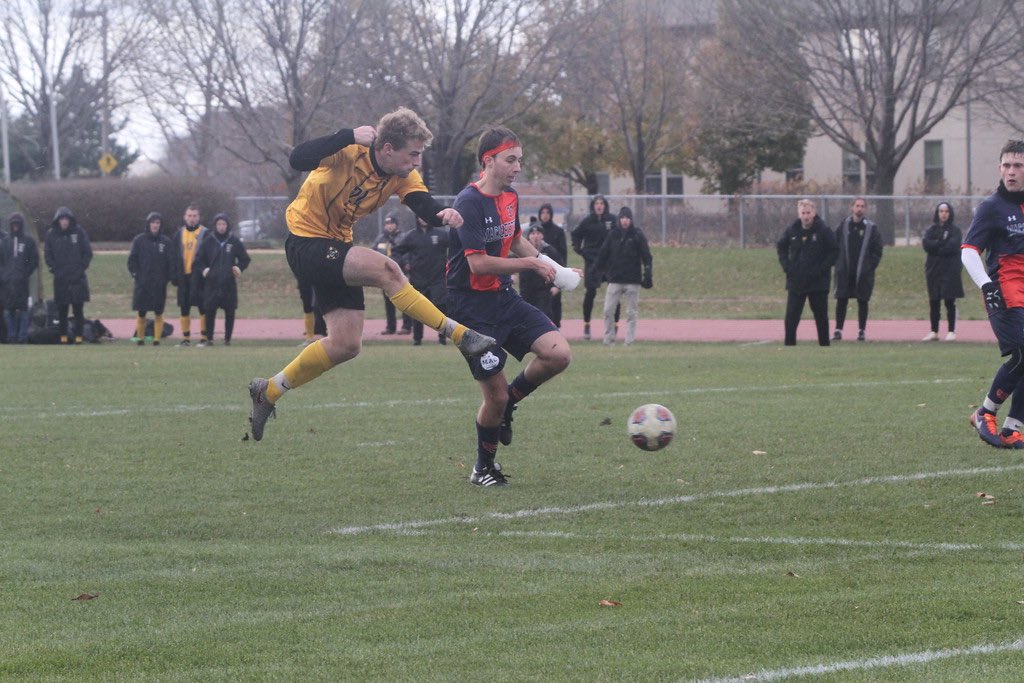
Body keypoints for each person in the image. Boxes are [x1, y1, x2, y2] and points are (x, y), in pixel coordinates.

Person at [247, 107, 497, 441]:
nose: (417, 162)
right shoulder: (349, 149)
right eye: (413, 154)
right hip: (305, 242)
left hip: (336, 245)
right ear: (388, 148)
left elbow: (423, 203)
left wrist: (443, 213)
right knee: (387, 269)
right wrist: (345, 134)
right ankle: (461, 336)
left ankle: (269, 391)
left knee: (346, 344)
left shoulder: (402, 174)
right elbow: (297, 158)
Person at [447, 124, 581, 486]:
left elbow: (517, 241)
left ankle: (511, 403)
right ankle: (483, 468)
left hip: (503, 298)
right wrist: (532, 266)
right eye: (510, 160)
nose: (517, 167)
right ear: (488, 161)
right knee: (494, 396)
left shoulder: (510, 197)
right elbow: (478, 264)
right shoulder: (469, 203)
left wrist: (556, 269)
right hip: (471, 310)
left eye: (520, 160)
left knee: (558, 354)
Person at [961, 139, 1024, 449]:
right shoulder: (991, 207)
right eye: (1006, 166)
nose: (1011, 171)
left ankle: (1014, 428)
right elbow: (969, 251)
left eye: (1018, 166)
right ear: (1000, 169)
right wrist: (986, 285)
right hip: (1003, 291)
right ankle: (985, 412)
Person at [776, 198, 838, 346]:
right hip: (796, 281)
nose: (806, 216)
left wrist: (822, 268)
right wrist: (787, 267)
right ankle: (789, 346)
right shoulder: (792, 230)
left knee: (821, 317)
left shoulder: (823, 230)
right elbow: (781, 247)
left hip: (818, 282)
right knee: (791, 317)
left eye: (808, 212)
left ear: (814, 212)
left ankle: (824, 346)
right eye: (803, 213)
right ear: (799, 213)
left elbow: (835, 251)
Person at [594, 206, 653, 346]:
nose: (625, 221)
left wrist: (648, 272)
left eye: (627, 218)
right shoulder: (613, 234)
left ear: (631, 220)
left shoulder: (637, 235)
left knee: (631, 312)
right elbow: (603, 254)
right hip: (615, 279)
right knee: (608, 310)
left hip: (633, 280)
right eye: (622, 218)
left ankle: (629, 341)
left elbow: (647, 256)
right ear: (619, 219)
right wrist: (597, 271)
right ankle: (609, 339)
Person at [193, 213, 250, 347]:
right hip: (211, 284)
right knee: (209, 311)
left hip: (228, 283)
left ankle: (227, 339)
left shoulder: (234, 241)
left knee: (229, 311)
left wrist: (238, 268)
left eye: (224, 224)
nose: (221, 227)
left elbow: (245, 259)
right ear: (215, 225)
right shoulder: (208, 241)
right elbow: (198, 260)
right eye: (219, 224)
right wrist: (204, 270)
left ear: (227, 225)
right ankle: (209, 339)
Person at [832, 197, 883, 341]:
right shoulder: (843, 225)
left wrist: (870, 266)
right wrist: (838, 263)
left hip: (863, 273)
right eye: (857, 206)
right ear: (852, 207)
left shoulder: (871, 228)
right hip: (845, 271)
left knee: (863, 301)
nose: (859, 208)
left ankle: (861, 331)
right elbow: (834, 245)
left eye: (862, 206)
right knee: (841, 299)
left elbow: (877, 250)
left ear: (865, 209)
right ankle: (838, 330)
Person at [394, 215, 449, 345]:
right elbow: (397, 252)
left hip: (438, 280)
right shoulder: (411, 236)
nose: (423, 219)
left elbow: (458, 248)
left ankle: (442, 338)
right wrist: (403, 264)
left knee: (441, 309)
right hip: (418, 280)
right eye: (420, 216)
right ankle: (417, 340)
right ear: (417, 218)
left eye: (424, 216)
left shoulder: (441, 235)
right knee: (418, 310)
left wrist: (452, 263)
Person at [43, 206, 92, 344]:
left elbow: (87, 252)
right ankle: (63, 337)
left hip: (77, 278)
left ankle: (78, 337)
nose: (64, 222)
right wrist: (55, 269)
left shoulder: (79, 232)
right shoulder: (51, 234)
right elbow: (47, 255)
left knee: (78, 310)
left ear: (70, 220)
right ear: (57, 221)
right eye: (61, 219)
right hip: (61, 279)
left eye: (66, 219)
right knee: (62, 310)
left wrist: (81, 268)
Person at [571, 195, 618, 340]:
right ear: (593, 206)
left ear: (605, 206)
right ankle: (587, 325)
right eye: (597, 203)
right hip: (592, 262)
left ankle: (614, 325)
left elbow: (618, 236)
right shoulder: (587, 221)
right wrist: (581, 250)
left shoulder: (612, 219)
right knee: (590, 293)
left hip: (609, 263)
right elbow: (575, 235)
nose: (599, 206)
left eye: (602, 203)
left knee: (614, 292)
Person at [127, 212, 174, 346]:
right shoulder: (139, 240)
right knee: (142, 312)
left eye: (158, 223)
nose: (155, 225)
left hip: (159, 284)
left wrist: (168, 278)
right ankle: (140, 339)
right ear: (148, 224)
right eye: (153, 222)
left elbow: (171, 262)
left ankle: (157, 340)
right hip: (143, 283)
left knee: (158, 312)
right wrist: (136, 275)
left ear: (161, 225)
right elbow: (132, 261)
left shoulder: (166, 242)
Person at [922, 201, 964, 342]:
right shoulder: (931, 230)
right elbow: (926, 244)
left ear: (950, 213)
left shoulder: (955, 230)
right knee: (934, 301)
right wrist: (940, 243)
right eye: (941, 211)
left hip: (950, 270)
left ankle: (951, 331)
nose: (943, 214)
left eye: (946, 211)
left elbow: (952, 246)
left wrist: (937, 246)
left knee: (949, 301)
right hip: (933, 270)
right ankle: (934, 331)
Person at [169, 204, 208, 346]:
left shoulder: (205, 233)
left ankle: (204, 338)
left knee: (202, 307)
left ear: (199, 217)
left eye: (195, 216)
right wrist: (173, 275)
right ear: (185, 217)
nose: (192, 218)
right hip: (183, 277)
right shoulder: (179, 234)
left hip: (199, 278)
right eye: (189, 216)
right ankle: (186, 338)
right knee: (184, 308)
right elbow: (173, 256)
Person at [1, 213, 39, 343]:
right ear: (10, 225)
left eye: (17, 223)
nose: (15, 226)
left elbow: (34, 260)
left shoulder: (28, 241)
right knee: (9, 310)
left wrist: (25, 273)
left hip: (22, 282)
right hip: (8, 283)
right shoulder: (5, 242)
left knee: (23, 309)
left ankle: (22, 337)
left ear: (21, 225)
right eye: (13, 223)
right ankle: (11, 336)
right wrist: (4, 275)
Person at [373, 213, 411, 335]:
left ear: (396, 225)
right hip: (385, 276)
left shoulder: (403, 237)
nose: (389, 226)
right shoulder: (380, 238)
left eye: (392, 223)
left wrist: (407, 264)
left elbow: (408, 253)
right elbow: (373, 253)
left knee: (404, 301)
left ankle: (406, 326)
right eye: (387, 224)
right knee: (388, 302)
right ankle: (391, 327)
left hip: (401, 275)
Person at [517, 225, 559, 320]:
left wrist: (556, 286)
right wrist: (510, 275)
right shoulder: (522, 250)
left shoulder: (549, 251)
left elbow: (559, 267)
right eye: (533, 233)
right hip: (526, 290)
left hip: (543, 290)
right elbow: (510, 261)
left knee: (543, 316)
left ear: (542, 236)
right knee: (525, 316)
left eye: (538, 233)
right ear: (529, 236)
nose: (535, 236)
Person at [536, 203, 568, 327]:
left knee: (555, 301)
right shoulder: (535, 231)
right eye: (542, 213)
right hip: (539, 273)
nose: (545, 215)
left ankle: (556, 325)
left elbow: (563, 253)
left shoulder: (558, 231)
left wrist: (562, 271)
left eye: (547, 213)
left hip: (555, 271)